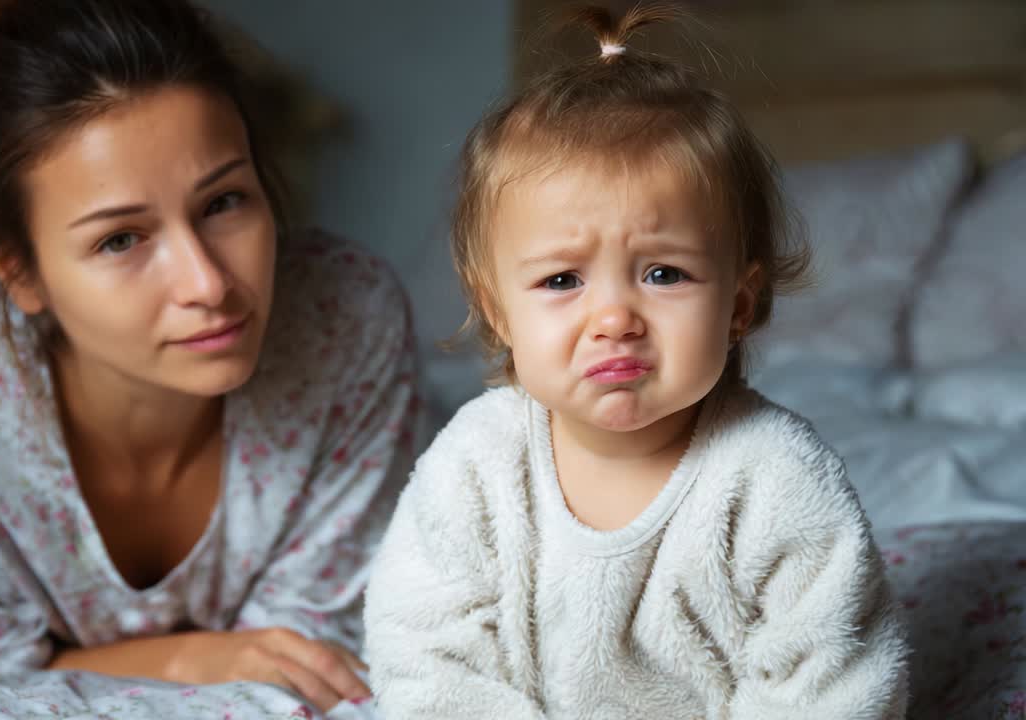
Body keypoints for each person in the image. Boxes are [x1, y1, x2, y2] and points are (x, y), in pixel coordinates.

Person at [0, 0, 422, 713]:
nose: (208, 284)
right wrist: (185, 657)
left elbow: (308, 653)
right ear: (16, 268)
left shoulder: (347, 317)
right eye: (121, 239)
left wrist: (89, 664)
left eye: (224, 202)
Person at [364, 5, 908, 718]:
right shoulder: (474, 465)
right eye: (563, 281)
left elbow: (833, 683)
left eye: (663, 274)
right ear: (499, 312)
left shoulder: (776, 480)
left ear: (739, 307)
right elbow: (423, 657)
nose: (615, 318)